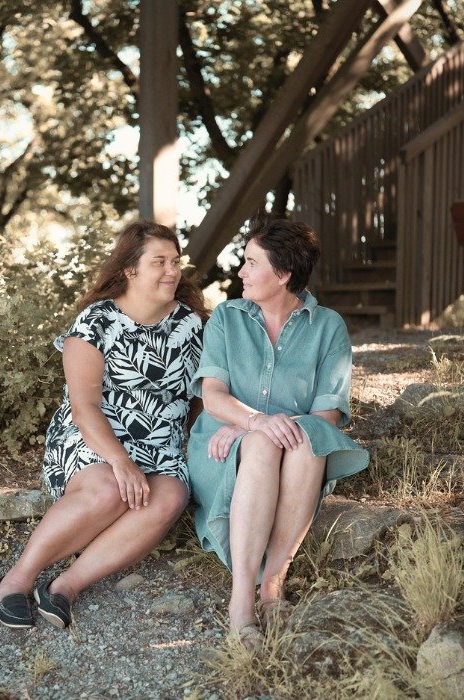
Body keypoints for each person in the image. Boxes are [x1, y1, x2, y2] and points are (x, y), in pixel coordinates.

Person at [0, 220, 207, 629]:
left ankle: (64, 587)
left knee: (168, 499)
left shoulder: (191, 324)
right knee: (112, 488)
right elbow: (85, 405)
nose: (171, 270)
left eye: (175, 261)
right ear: (130, 269)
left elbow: (199, 397)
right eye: (159, 261)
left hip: (160, 446)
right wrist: (121, 461)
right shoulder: (97, 321)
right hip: (93, 436)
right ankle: (17, 578)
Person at [187, 217, 369, 651]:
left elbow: (326, 416)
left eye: (251, 264)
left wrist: (257, 426)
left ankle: (273, 585)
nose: (241, 273)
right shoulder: (227, 319)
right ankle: (240, 603)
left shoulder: (328, 327)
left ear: (283, 274)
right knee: (264, 441)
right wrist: (249, 424)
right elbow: (212, 395)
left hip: (288, 447)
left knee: (306, 442)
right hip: (218, 447)